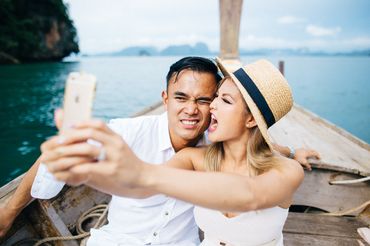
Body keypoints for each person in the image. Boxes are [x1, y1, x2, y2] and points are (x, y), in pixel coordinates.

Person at [0, 57, 319, 245]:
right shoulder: (191, 155)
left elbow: (250, 189)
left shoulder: (277, 169)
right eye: (182, 98)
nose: (197, 110)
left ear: (250, 119)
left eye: (213, 100)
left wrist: (293, 153)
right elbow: (136, 186)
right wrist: (92, 172)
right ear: (165, 99)